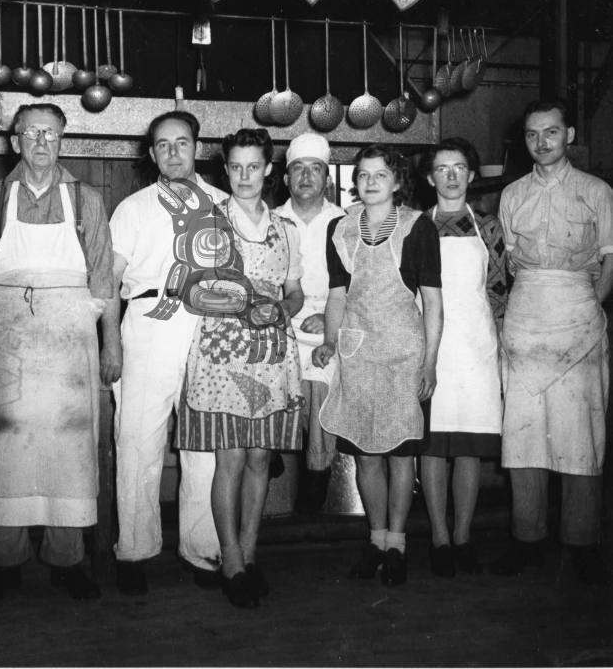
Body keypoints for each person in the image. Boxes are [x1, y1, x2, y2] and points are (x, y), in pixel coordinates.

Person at [0, 103, 113, 604]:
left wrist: (80, 327)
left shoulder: (88, 199)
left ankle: (67, 561)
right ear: (15, 142)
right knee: (5, 450)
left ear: (62, 140)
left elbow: (103, 280)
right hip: (6, 339)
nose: (41, 143)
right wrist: (8, 325)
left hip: (70, 342)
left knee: (68, 451)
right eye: (31, 134)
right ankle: (5, 562)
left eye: (50, 133)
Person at [100, 111, 228, 595]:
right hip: (148, 324)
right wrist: (111, 341)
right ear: (151, 153)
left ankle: (202, 548)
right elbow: (108, 282)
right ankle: (133, 549)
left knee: (205, 444)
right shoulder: (131, 208)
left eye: (182, 143)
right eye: (163, 145)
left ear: (197, 147)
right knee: (136, 440)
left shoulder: (223, 204)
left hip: (208, 326)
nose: (174, 152)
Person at [177, 127, 304, 608]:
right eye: (236, 166)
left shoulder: (286, 230)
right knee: (229, 459)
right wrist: (238, 305)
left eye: (254, 166)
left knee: (258, 459)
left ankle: (251, 553)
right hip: (223, 352)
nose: (245, 175)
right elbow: (191, 291)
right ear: (225, 169)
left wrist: (281, 310)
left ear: (269, 169)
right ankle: (229, 558)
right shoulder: (207, 224)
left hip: (271, 352)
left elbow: (292, 291)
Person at [492, 100, 613, 584]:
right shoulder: (512, 194)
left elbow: (610, 263)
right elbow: (512, 267)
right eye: (532, 135)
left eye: (551, 133)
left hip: (578, 315)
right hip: (525, 320)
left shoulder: (597, 191)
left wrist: (588, 307)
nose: (541, 143)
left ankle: (581, 544)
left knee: (580, 433)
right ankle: (528, 539)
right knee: (523, 435)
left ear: (569, 135)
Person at [313, 144, 443, 586]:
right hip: (359, 353)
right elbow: (336, 295)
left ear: (397, 181)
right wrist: (330, 341)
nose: (370, 182)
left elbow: (433, 302)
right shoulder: (340, 229)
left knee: (401, 452)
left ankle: (398, 544)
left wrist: (430, 363)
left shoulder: (416, 227)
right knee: (366, 455)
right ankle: (376, 539)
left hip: (404, 353)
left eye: (380, 175)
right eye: (363, 175)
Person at [420, 137, 506, 577]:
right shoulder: (416, 226)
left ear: (471, 176)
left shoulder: (489, 228)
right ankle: (438, 537)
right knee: (433, 447)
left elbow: (498, 289)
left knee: (469, 447)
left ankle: (464, 537)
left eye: (459, 168)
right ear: (430, 176)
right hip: (430, 347)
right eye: (442, 168)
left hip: (475, 347)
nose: (451, 175)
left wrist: (501, 342)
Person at [274, 132, 344, 513]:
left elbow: (358, 287)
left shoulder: (345, 223)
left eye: (315, 169)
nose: (305, 177)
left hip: (326, 324)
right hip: (277, 325)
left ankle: (310, 511)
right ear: (285, 178)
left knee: (319, 413)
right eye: (297, 169)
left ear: (327, 178)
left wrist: (330, 317)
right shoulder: (271, 220)